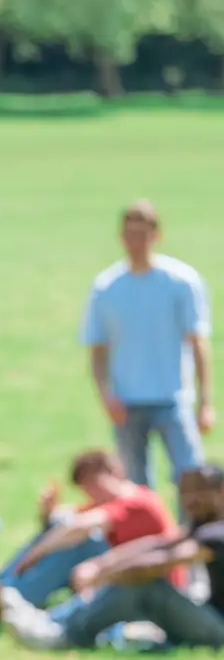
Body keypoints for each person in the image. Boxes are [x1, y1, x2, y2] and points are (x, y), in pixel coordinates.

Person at [0, 448, 181, 627]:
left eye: (95, 483)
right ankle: (1, 591)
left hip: (154, 585)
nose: (92, 493)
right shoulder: (108, 504)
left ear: (114, 473)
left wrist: (36, 553)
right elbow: (66, 520)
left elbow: (81, 526)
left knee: (80, 541)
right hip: (123, 577)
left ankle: (7, 597)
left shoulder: (137, 501)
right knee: (59, 529)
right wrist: (47, 514)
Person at [0, 466, 224, 651]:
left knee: (143, 583)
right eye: (185, 492)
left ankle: (63, 635)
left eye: (200, 491)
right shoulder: (203, 524)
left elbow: (163, 561)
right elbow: (158, 544)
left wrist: (104, 574)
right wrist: (102, 564)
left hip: (218, 631)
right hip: (211, 616)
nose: (191, 499)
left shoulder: (218, 532)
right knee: (134, 576)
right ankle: (51, 621)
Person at [82, 200, 213, 496]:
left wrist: (205, 401)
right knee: (135, 487)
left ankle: (190, 526)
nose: (136, 243)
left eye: (142, 234)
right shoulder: (106, 287)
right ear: (121, 238)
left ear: (156, 236)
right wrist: (105, 395)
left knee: (191, 477)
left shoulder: (181, 282)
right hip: (127, 401)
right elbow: (98, 349)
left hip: (173, 397)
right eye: (130, 234)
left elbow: (198, 343)